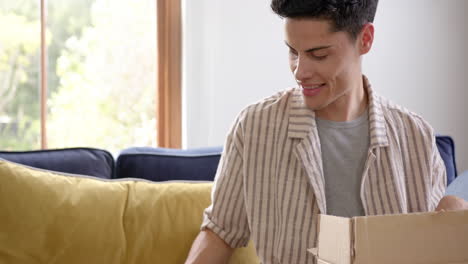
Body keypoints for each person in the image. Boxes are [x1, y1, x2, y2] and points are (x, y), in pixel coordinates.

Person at [185, 0, 468, 263]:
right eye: (292, 52)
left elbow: (430, 247)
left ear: (365, 39)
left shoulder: (415, 137)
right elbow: (219, 233)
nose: (299, 72)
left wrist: (454, 221)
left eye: (318, 54)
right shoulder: (254, 128)